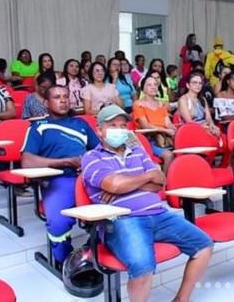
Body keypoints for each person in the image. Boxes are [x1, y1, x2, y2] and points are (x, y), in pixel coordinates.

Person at [81, 105, 212, 302]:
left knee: (204, 245)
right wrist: (141, 179)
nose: (119, 130)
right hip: (124, 220)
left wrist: (128, 183)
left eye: (123, 125)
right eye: (112, 125)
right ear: (99, 131)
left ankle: (181, 299)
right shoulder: (92, 157)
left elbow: (160, 180)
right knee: (143, 267)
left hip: (159, 214)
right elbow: (114, 184)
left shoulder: (137, 151)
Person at [21, 85, 100, 266]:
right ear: (47, 103)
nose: (63, 100)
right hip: (58, 179)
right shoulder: (39, 127)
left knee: (116, 210)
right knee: (58, 223)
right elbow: (27, 161)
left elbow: (98, 151)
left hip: (86, 177)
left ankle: (92, 251)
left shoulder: (81, 124)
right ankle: (65, 261)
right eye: (57, 97)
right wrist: (65, 162)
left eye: (66, 96)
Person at [132, 76, 176, 169]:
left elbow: (167, 122)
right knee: (169, 155)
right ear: (143, 89)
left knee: (182, 152)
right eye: (149, 85)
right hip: (148, 138)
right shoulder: (138, 104)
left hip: (164, 138)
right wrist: (166, 130)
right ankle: (165, 181)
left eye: (155, 84)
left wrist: (172, 127)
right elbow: (145, 126)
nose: (153, 87)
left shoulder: (161, 104)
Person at [177, 72, 221, 138]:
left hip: (205, 127)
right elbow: (189, 122)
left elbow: (208, 118)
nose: (198, 85)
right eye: (195, 82)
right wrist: (202, 127)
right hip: (190, 130)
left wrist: (212, 125)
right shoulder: (183, 99)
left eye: (200, 83)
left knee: (217, 132)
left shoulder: (202, 99)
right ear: (188, 85)